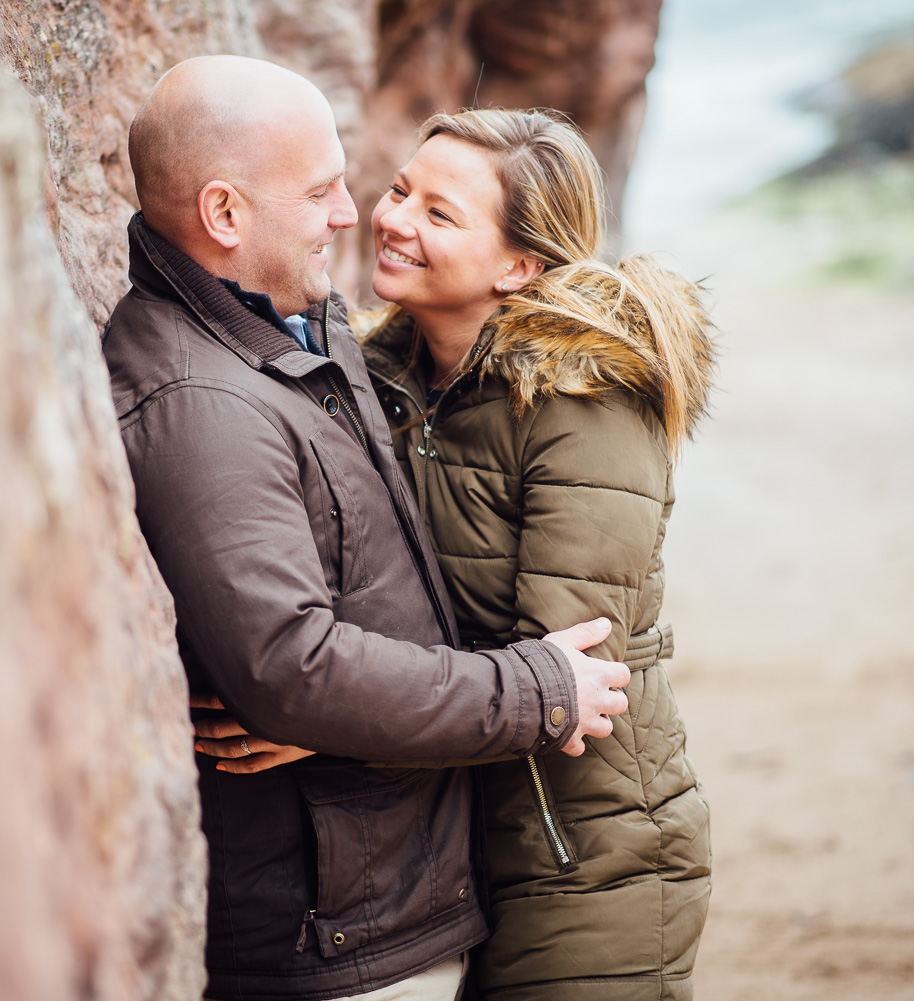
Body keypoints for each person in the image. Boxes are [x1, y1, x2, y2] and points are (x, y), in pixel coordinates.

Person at [102, 57, 631, 1001]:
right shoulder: (205, 403)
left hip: (431, 876)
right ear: (225, 215)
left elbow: (404, 609)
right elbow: (293, 671)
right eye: (323, 191)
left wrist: (333, 725)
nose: (356, 216)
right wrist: (512, 693)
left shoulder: (301, 328)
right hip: (343, 938)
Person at [201, 108, 716, 999]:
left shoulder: (586, 402)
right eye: (401, 189)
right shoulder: (369, 380)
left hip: (587, 855)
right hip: (433, 849)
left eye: (441, 214)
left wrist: (325, 725)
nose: (393, 219)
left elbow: (565, 681)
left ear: (520, 265)